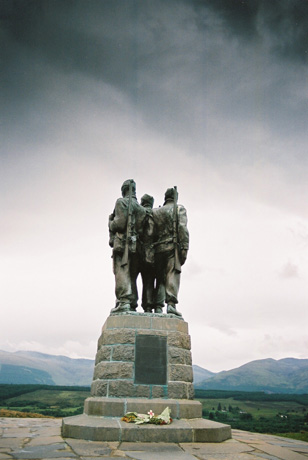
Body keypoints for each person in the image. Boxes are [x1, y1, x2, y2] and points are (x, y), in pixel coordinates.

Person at [108, 179, 146, 313]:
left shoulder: (121, 202)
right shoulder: (141, 209)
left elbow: (120, 223)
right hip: (137, 247)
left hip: (123, 245)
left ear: (123, 190)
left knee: (122, 272)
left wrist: (110, 222)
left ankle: (124, 301)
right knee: (133, 276)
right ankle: (133, 303)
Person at [152, 187, 189, 316]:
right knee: (172, 275)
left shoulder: (155, 212)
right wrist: (184, 247)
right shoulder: (179, 209)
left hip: (157, 249)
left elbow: (151, 232)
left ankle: (158, 306)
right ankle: (171, 305)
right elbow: (182, 228)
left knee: (159, 279)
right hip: (172, 248)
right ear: (175, 197)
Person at [139, 194, 156, 313]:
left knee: (131, 278)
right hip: (151, 253)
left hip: (136, 251)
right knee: (149, 281)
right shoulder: (156, 214)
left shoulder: (138, 212)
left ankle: (130, 304)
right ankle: (148, 306)